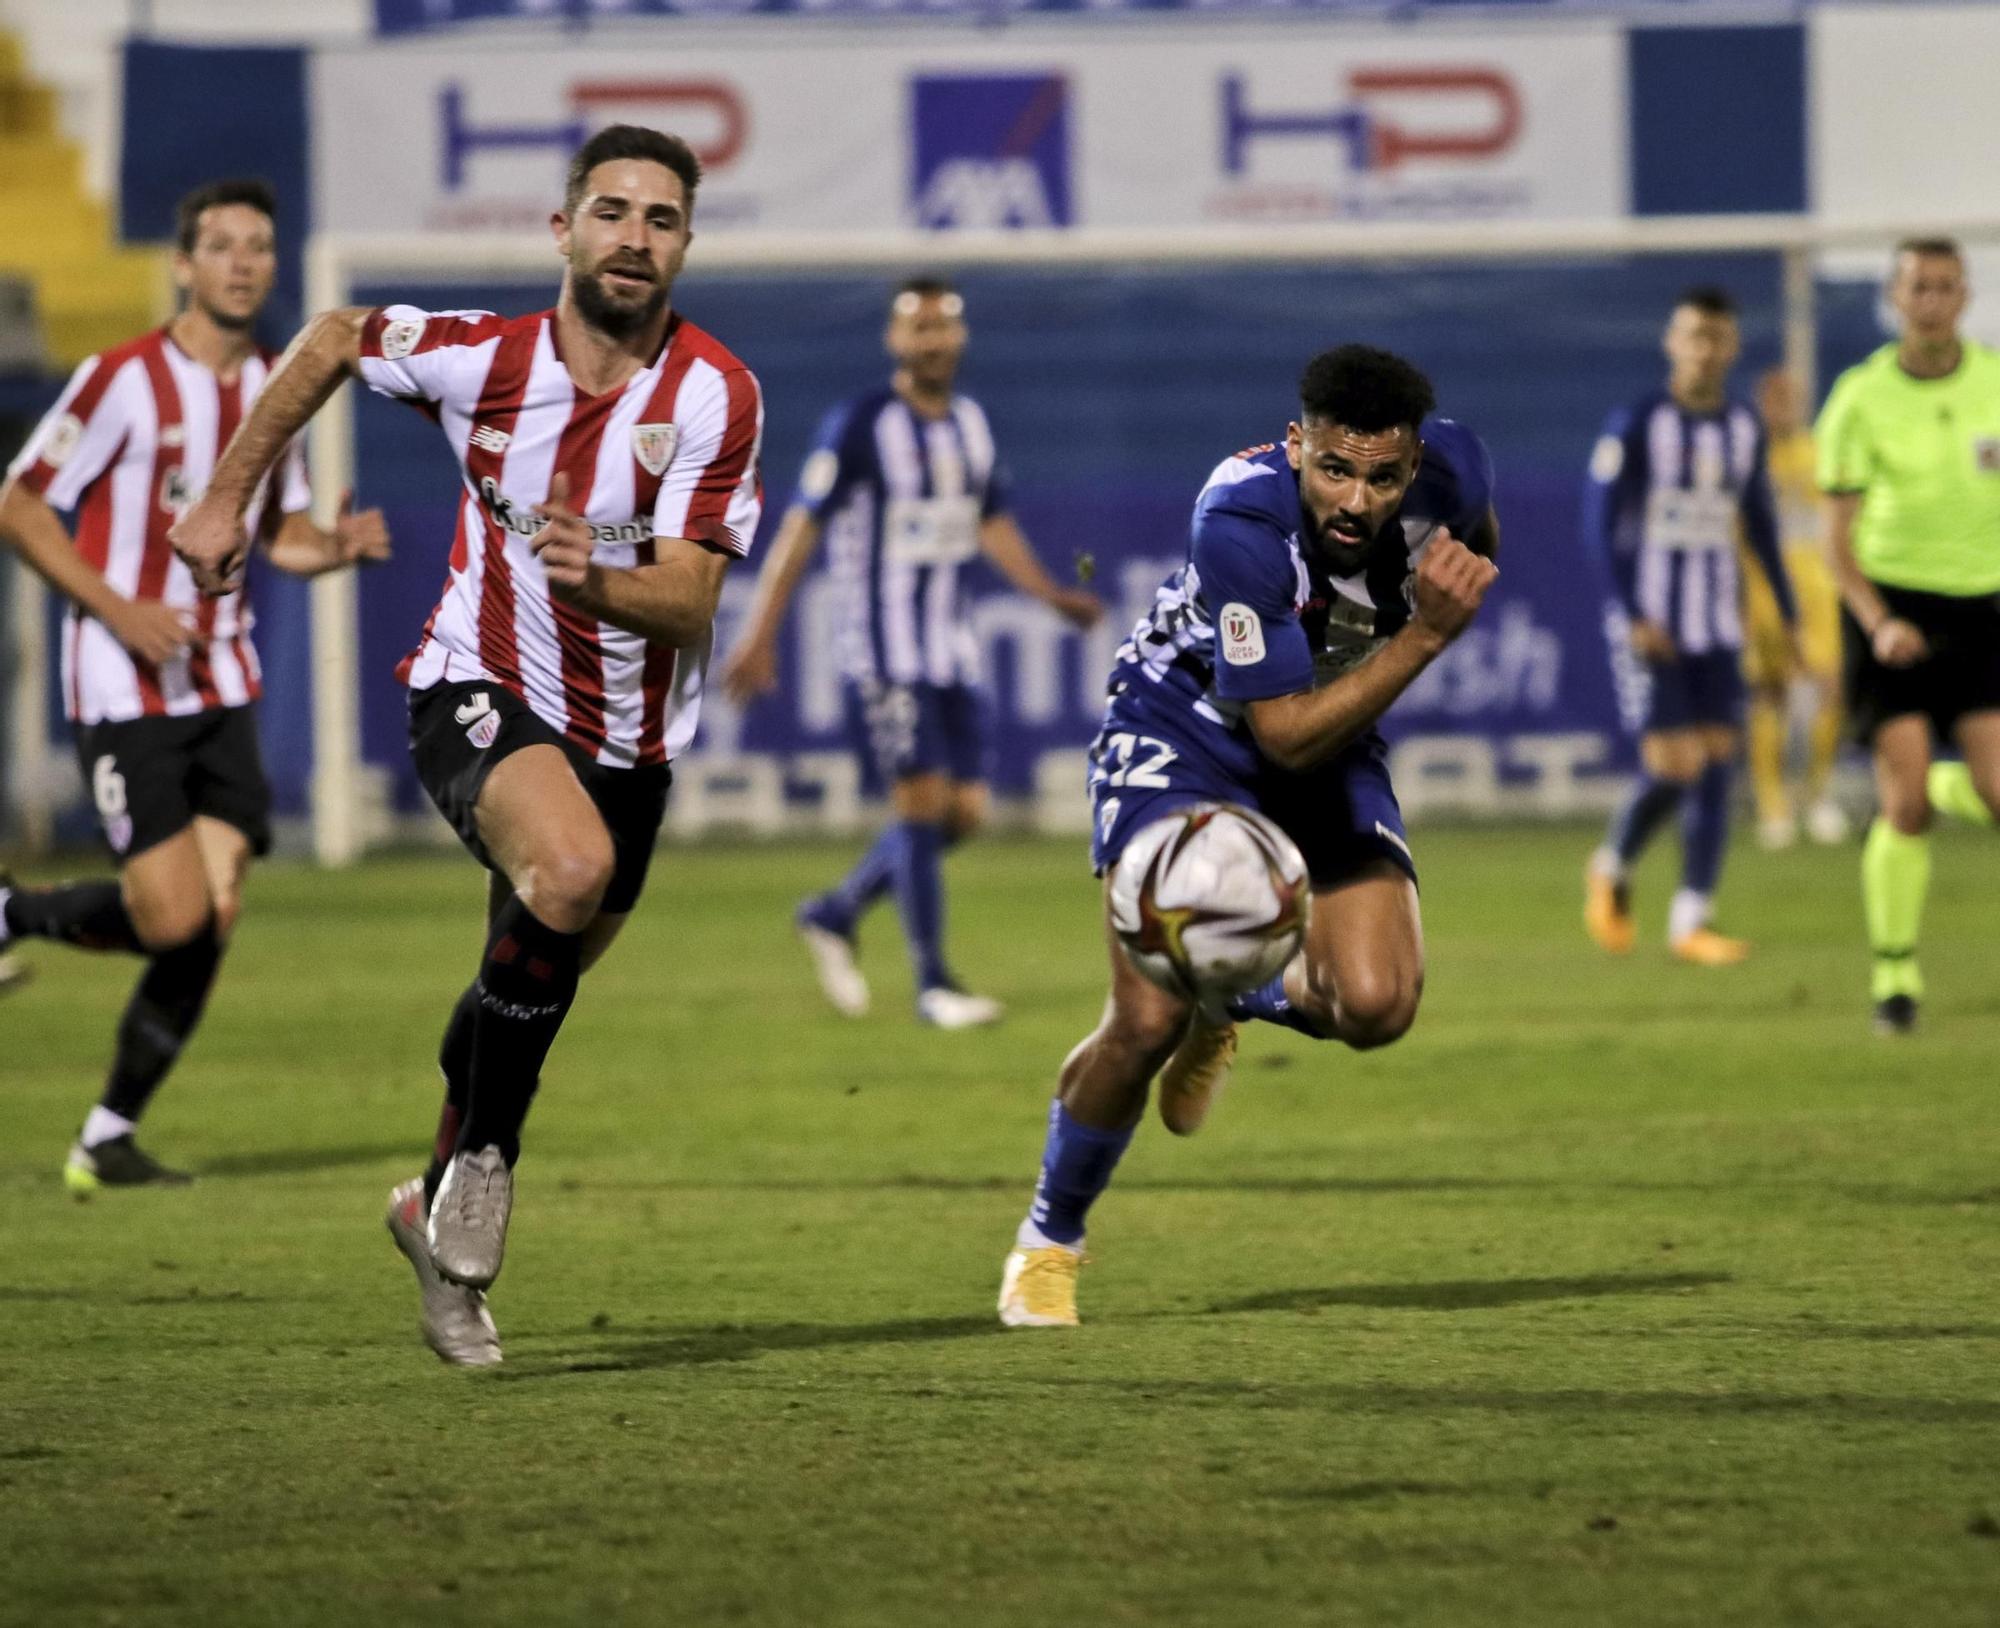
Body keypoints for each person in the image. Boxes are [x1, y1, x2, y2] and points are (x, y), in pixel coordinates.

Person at [169, 125, 764, 1365]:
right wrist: (226, 496)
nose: (632, 239)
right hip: (474, 686)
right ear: (563, 231)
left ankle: (430, 1212)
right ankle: (488, 1165)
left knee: (522, 988)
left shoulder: (712, 394)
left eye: (660, 220)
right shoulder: (484, 359)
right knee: (569, 873)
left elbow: (692, 600)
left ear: (685, 246)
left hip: (630, 742)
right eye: (610, 211)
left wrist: (597, 575)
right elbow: (333, 335)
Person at [995, 344, 1498, 1328]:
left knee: (1377, 1002)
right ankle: (1047, 1241)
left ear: (1413, 465)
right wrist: (1422, 637)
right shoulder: (1239, 519)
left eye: (1383, 476)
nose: (1356, 500)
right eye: (1334, 469)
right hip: (1183, 733)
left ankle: (1225, 991)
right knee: (1141, 1021)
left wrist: (1436, 606)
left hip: (1329, 728)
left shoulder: (1458, 471)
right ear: (1295, 442)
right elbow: (1277, 733)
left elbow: (1470, 554)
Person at [0, 178, 390, 1194]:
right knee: (174, 919)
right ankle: (13, 912)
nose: (245, 262)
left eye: (259, 245)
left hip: (221, 681)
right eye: (222, 245)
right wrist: (117, 607)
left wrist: (332, 546)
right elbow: (21, 503)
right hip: (126, 684)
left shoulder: (276, 384)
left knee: (209, 916)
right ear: (183, 264)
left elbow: (280, 533)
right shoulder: (122, 378)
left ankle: (105, 1134)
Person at [720, 278, 1101, 1028]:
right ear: (895, 342)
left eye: (942, 327)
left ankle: (835, 910)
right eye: (917, 328)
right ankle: (933, 985)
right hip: (883, 646)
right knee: (922, 804)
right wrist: (760, 632)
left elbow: (988, 523)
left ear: (959, 338)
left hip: (949, 648)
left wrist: (1049, 596)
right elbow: (803, 526)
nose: (931, 340)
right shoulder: (860, 424)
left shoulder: (971, 425)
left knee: (964, 813)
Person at [1582, 286, 1799, 967]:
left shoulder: (1743, 426)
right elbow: (1598, 521)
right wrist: (1632, 610)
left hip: (1717, 624)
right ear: (1672, 342)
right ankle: (1611, 865)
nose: (1705, 350)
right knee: (1675, 766)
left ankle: (1691, 921)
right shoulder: (1639, 422)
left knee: (1716, 767)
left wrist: (1788, 617)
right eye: (1693, 336)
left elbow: (1760, 522)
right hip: (1654, 623)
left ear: (1732, 348)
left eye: (1718, 338)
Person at [1816, 237, 2000, 1036]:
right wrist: (1879, 620)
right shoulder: (1860, 397)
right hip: (1893, 607)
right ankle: (1895, 974)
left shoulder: (1995, 383)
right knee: (1905, 804)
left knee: (1994, 792)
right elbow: (1836, 540)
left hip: (1984, 607)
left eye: (1947, 287)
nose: (1933, 300)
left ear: (1965, 298)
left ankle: (1954, 788)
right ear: (1897, 299)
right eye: (1918, 287)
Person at [1742, 366, 1848, 850]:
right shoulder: (1748, 460)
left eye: (1789, 398)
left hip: (1819, 589)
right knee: (1772, 694)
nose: (1781, 408)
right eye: (1773, 398)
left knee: (1829, 688)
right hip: (1765, 589)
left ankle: (1818, 796)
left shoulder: (1820, 452)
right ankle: (1773, 805)